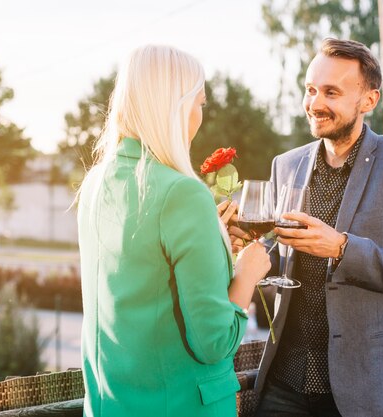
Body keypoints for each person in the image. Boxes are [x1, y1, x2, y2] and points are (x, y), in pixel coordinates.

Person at [231, 38, 383, 417]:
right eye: (311, 89)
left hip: (365, 390)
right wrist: (241, 248)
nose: (315, 103)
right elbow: (282, 265)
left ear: (369, 101)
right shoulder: (285, 164)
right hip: (285, 383)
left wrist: (343, 249)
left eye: (331, 92)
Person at [76, 45, 271, 417]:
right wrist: (246, 274)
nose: (200, 114)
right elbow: (213, 342)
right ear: (175, 106)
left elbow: (142, 283)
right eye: (199, 102)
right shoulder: (183, 192)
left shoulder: (96, 183)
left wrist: (215, 246)